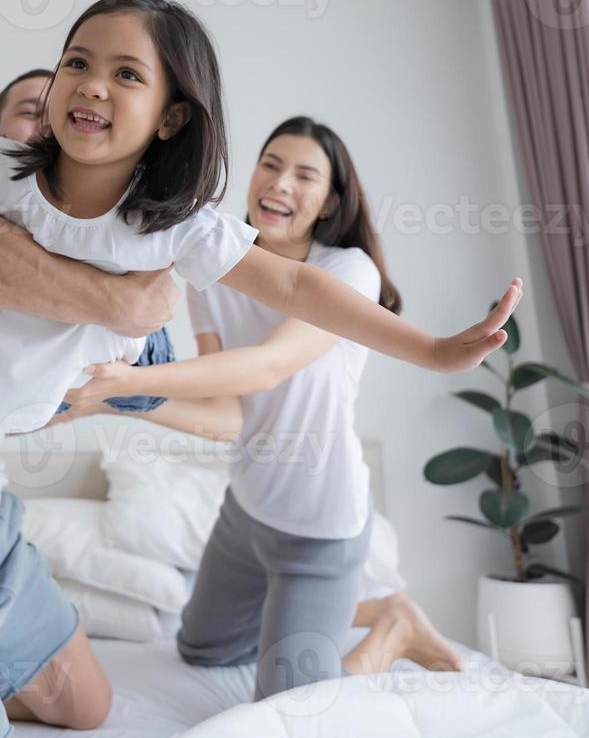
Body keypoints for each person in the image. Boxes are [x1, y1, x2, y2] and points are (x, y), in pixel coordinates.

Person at [0, 0, 521, 738]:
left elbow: (300, 288)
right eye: (76, 62)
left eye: (125, 73)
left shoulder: (173, 231)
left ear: (170, 116)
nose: (88, 84)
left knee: (90, 709)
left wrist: (436, 350)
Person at [58, 115, 466, 699]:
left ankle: (392, 625)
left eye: (305, 176)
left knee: (288, 705)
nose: (280, 183)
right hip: (247, 512)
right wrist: (113, 403)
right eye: (271, 165)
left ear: (328, 202)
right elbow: (226, 415)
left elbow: (269, 365)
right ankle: (341, 610)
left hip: (320, 528)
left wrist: (130, 382)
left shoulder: (348, 272)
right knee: (200, 648)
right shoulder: (216, 273)